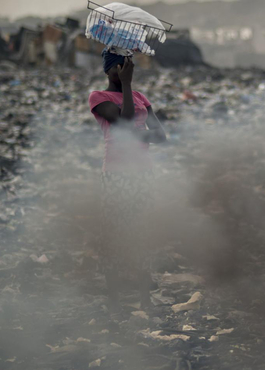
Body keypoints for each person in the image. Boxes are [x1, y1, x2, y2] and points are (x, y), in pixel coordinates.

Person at [88, 48, 166, 306]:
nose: (127, 70)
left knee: (142, 231)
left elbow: (161, 136)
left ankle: (144, 295)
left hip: (143, 171)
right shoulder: (99, 97)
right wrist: (127, 84)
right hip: (117, 173)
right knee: (116, 232)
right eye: (122, 66)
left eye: (129, 66)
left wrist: (138, 136)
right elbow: (124, 123)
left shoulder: (140, 96)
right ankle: (114, 296)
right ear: (110, 70)